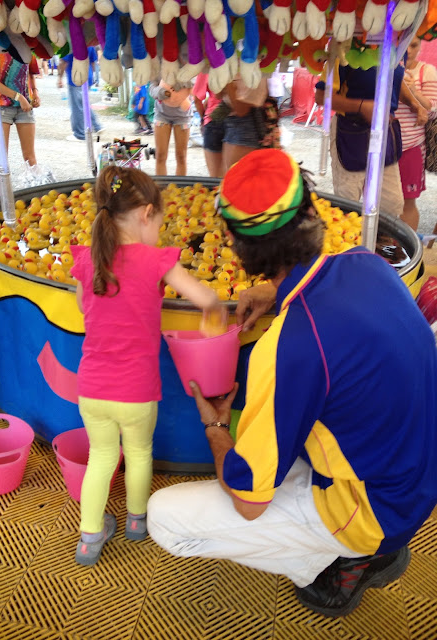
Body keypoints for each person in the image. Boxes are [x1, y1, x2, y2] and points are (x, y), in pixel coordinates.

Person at [147, 148, 437, 618]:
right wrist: (276, 291)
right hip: (416, 478)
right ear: (311, 211)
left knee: (165, 518)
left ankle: (344, 561)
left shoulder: (287, 346)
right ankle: (358, 546)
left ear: (238, 247)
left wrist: (215, 427)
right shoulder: (368, 264)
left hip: (376, 509)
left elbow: (249, 502)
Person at [69, 166, 224, 566]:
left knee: (102, 458)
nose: (159, 231)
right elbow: (204, 298)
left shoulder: (88, 260)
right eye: (160, 223)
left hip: (92, 389)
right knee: (139, 453)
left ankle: (89, 537)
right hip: (136, 390)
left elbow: (82, 305)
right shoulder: (157, 261)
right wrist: (214, 312)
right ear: (146, 214)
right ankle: (136, 522)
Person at [315, 60, 428, 216]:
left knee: (391, 204)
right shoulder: (343, 54)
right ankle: (350, 231)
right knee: (348, 200)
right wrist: (361, 106)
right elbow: (321, 96)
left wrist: (414, 103)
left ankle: (379, 233)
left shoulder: (395, 49)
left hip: (384, 132)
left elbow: (394, 79)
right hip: (351, 132)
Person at [395, 36, 437, 230]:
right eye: (404, 44)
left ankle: (406, 246)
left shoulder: (426, 71)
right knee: (381, 199)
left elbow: (432, 110)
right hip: (383, 145)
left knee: (408, 202)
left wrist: (413, 91)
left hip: (411, 147)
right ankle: (383, 242)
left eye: (414, 45)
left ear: (420, 46)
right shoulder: (386, 68)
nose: (408, 50)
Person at [0, 48, 41, 167]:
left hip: (25, 107)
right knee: (1, 157)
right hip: (2, 106)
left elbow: (30, 73)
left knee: (30, 157)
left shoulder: (28, 49)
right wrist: (18, 97)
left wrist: (35, 92)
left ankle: (35, 179)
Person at [219, 75, 270, 173]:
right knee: (228, 174)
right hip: (231, 122)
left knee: (235, 174)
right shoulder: (236, 72)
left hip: (245, 125)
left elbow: (241, 110)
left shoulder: (252, 75)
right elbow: (218, 96)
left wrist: (228, 83)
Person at [57, 47, 104, 142]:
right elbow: (93, 62)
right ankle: (97, 126)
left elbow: (63, 62)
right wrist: (91, 75)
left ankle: (80, 134)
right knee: (84, 104)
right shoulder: (90, 44)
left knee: (77, 107)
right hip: (87, 76)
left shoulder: (69, 43)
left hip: (75, 78)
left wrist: (60, 78)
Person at [149, 80, 192, 175]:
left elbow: (195, 83)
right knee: (160, 155)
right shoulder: (159, 70)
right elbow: (152, 87)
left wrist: (181, 83)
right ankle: (161, 184)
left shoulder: (188, 70)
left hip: (183, 115)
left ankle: (179, 184)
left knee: (181, 156)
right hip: (162, 114)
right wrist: (161, 92)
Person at [192, 72, 224, 178]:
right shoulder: (240, 65)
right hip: (238, 121)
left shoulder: (207, 67)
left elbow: (197, 99)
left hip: (213, 120)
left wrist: (203, 118)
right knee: (235, 177)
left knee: (215, 179)